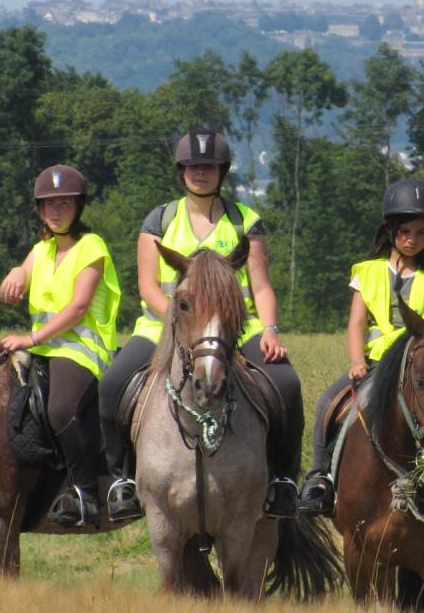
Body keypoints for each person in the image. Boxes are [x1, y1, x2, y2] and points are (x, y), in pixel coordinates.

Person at [97, 127, 302, 522]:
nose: (200, 173)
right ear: (181, 171)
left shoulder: (246, 221)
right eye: (192, 166)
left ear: (222, 171)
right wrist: (179, 324)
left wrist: (271, 330)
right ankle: (121, 480)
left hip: (235, 327)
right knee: (111, 385)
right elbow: (147, 285)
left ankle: (284, 481)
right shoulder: (159, 220)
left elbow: (260, 287)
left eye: (208, 167)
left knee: (288, 384)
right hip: (164, 325)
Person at [297, 177, 424, 521]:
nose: (412, 240)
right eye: (405, 232)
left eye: (420, 234)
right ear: (391, 230)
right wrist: (354, 360)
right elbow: (356, 324)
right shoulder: (367, 272)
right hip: (377, 361)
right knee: (326, 403)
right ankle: (320, 477)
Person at [0, 163, 121, 527]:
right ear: (39, 209)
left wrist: (31, 338)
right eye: (48, 204)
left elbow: (79, 306)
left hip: (79, 349)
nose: (55, 211)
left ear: (78, 207)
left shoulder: (92, 246)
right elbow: (25, 270)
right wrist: (16, 273)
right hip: (43, 350)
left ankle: (85, 494)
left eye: (64, 203)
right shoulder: (42, 249)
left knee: (61, 409)